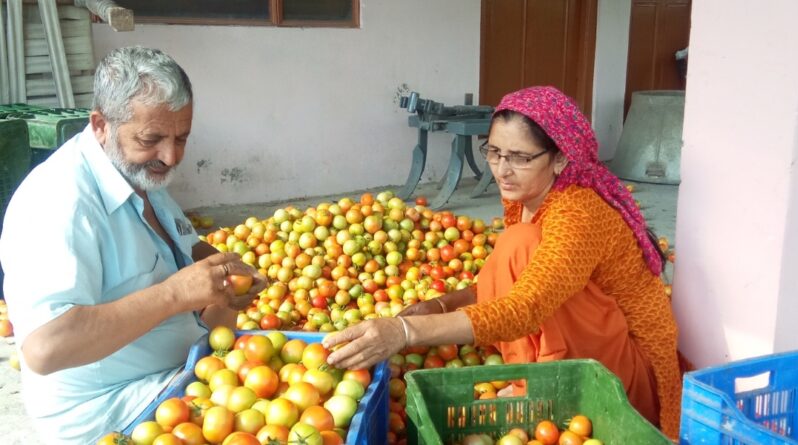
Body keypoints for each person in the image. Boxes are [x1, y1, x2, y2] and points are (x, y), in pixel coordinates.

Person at [324, 86, 682, 438]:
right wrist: (439, 305)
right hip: (593, 350)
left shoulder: (578, 212)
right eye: (493, 152)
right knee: (518, 245)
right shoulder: (528, 196)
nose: (501, 169)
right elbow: (525, 282)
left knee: (518, 242)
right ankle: (532, 373)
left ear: (560, 158)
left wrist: (402, 333)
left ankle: (539, 384)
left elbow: (526, 305)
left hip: (622, 379)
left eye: (520, 157)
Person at [0, 47, 265, 443]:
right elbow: (46, 347)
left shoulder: (136, 176)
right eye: (151, 139)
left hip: (181, 375)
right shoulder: (59, 202)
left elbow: (184, 248)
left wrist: (227, 272)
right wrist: (175, 294)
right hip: (112, 410)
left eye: (182, 138)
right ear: (101, 125)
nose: (171, 156)